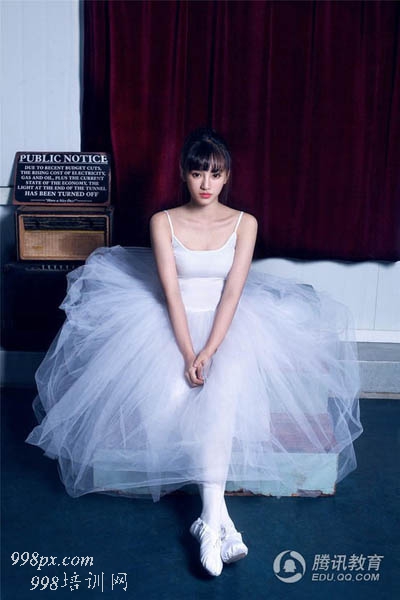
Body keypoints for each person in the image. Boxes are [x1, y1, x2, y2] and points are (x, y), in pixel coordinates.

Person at [26, 127, 363, 577]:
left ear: (227, 177)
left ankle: (208, 521)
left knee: (221, 398)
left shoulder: (245, 224)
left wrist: (210, 350)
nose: (206, 183)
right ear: (184, 174)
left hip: (228, 327)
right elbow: (171, 294)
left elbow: (232, 294)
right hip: (173, 323)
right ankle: (221, 522)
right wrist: (189, 354)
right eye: (198, 172)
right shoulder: (163, 222)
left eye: (215, 174)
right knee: (176, 397)